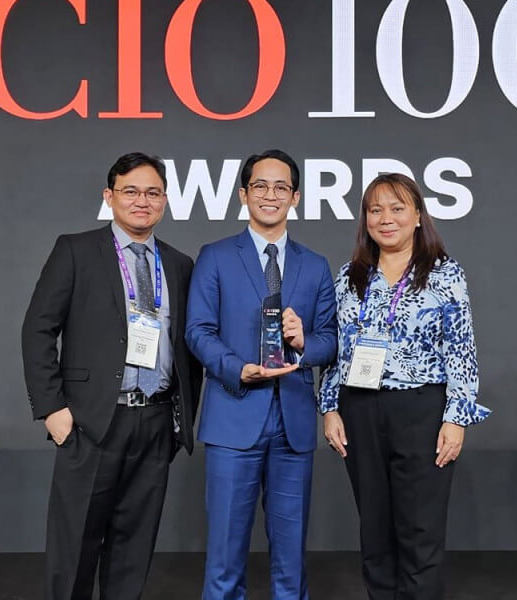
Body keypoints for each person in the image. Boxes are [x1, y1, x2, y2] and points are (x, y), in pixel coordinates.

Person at [21, 152, 202, 600]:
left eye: (152, 193)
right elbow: (38, 328)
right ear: (109, 196)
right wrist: (52, 409)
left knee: (134, 549)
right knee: (75, 549)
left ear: (164, 201)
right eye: (131, 191)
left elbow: (187, 347)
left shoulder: (179, 264)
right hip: (92, 422)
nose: (142, 201)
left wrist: (180, 422)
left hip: (157, 423)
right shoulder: (76, 250)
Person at [319, 173, 491, 600]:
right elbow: (338, 347)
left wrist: (457, 417)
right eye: (375, 210)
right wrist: (330, 407)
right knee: (375, 530)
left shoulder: (444, 272)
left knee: (419, 531)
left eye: (397, 208)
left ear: (417, 215)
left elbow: (461, 349)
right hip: (358, 408)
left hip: (421, 410)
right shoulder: (349, 276)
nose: (385, 218)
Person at [186, 149, 337, 600]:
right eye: (260, 186)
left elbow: (332, 339)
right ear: (243, 194)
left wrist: (304, 340)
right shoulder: (214, 257)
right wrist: (237, 369)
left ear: (295, 198)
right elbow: (198, 330)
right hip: (234, 415)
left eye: (281, 188)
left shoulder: (315, 265)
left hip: (292, 421)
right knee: (225, 554)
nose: (270, 195)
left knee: (291, 555)